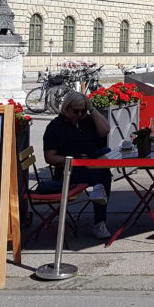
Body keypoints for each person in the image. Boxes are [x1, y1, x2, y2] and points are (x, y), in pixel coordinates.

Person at [42, 92, 112, 239]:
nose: (79, 114)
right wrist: (74, 160)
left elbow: (105, 130)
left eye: (83, 110)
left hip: (91, 163)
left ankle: (100, 214)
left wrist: (91, 109)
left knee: (102, 167)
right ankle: (100, 222)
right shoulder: (56, 127)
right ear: (66, 108)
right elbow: (50, 157)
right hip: (69, 170)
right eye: (76, 111)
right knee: (102, 174)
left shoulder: (85, 120)